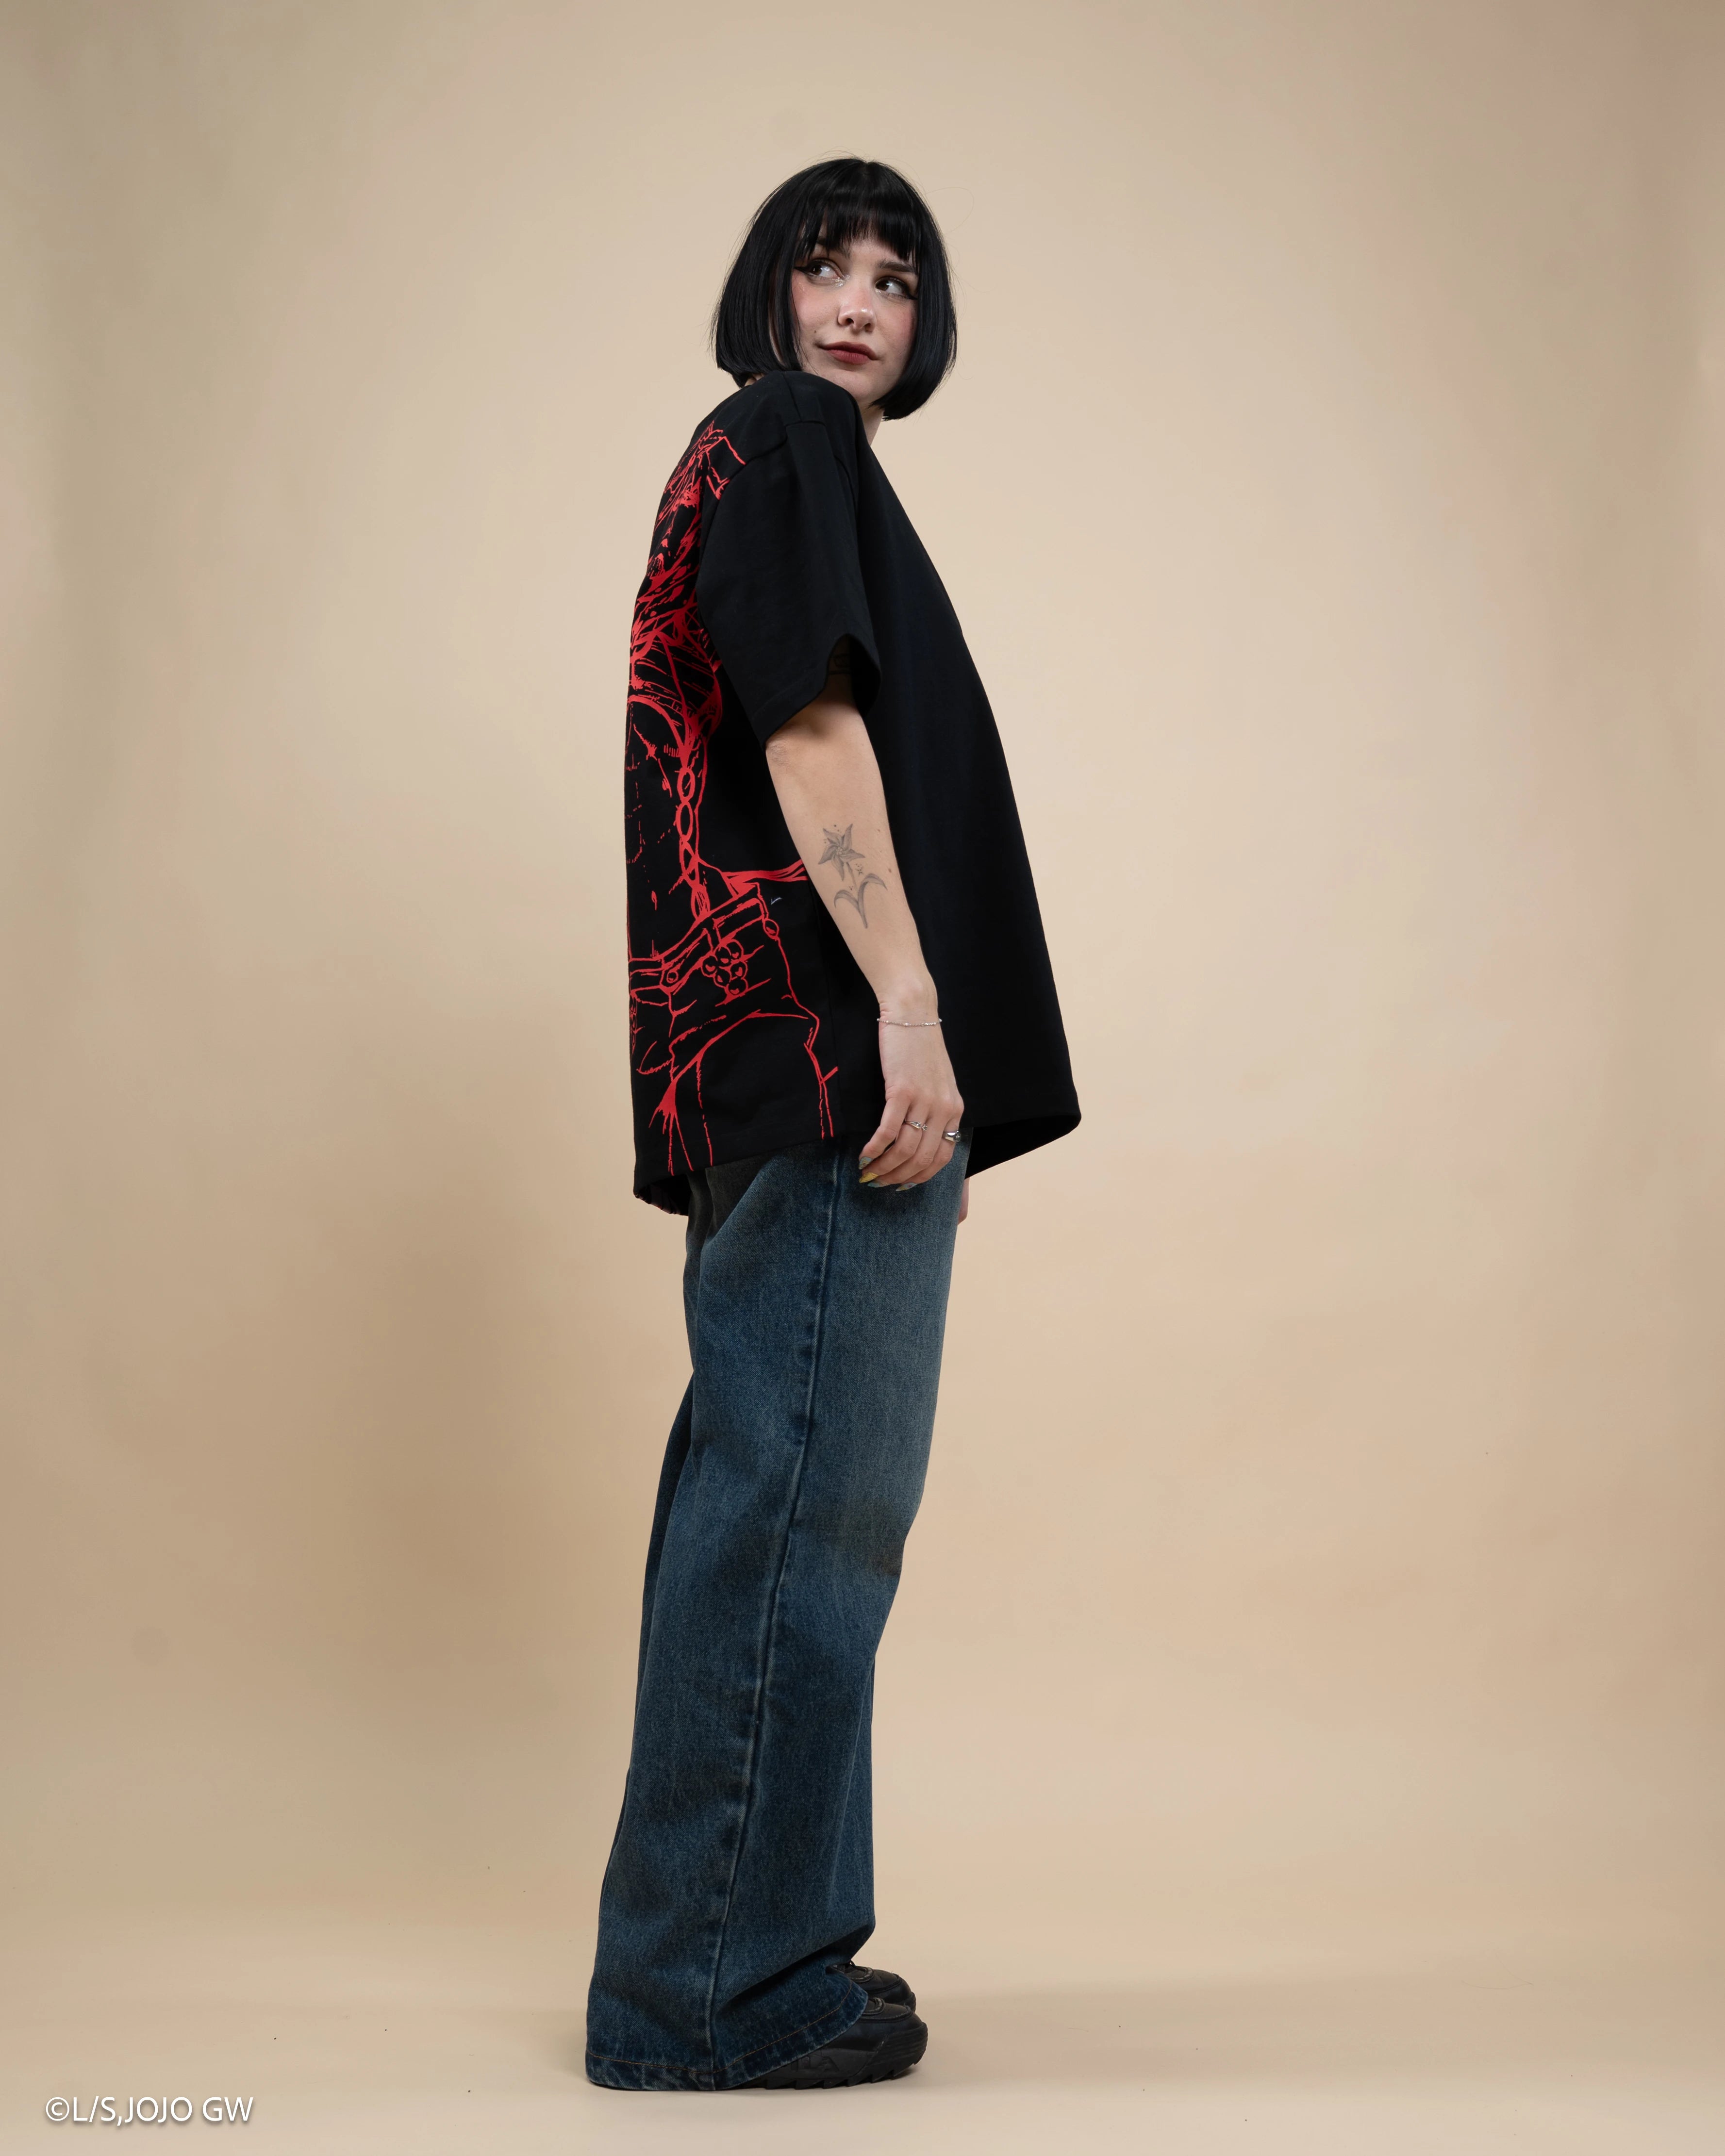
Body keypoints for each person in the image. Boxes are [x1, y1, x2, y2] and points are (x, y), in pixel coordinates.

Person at [585, 157, 1079, 2093]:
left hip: (788, 1058)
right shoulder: (785, 435)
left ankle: (768, 1944)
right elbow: (806, 729)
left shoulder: (791, 467)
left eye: (896, 275)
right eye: (824, 263)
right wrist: (908, 1010)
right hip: (825, 1045)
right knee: (800, 1508)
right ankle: (705, 1988)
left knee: (794, 1501)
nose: (860, 301)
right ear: (769, 292)